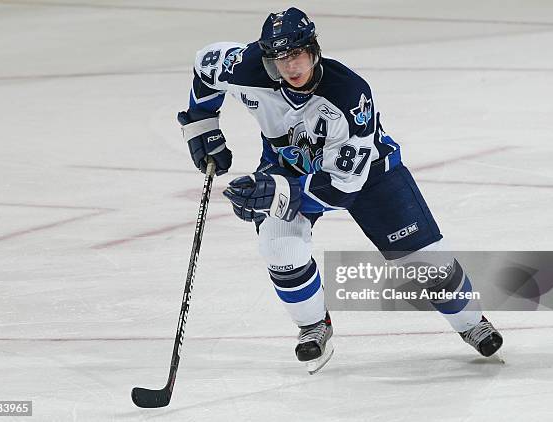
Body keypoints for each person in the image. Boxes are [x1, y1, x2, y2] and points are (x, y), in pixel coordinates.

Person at [178, 7, 503, 374]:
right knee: (280, 249)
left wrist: (276, 194)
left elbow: (343, 188)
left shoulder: (349, 95)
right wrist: (201, 124)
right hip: (288, 168)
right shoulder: (246, 67)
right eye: (279, 59)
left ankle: (471, 322)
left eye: (297, 55)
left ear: (314, 50)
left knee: (426, 264)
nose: (290, 68)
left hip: (369, 176)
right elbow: (205, 65)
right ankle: (314, 325)